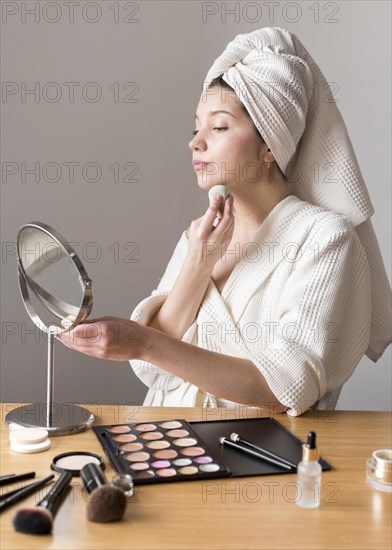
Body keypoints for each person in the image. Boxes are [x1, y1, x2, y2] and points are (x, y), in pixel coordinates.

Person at [58, 27, 391, 416]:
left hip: (261, 461)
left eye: (218, 127)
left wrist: (141, 340)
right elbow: (153, 372)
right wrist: (197, 265)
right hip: (166, 444)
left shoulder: (324, 239)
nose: (195, 142)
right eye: (195, 127)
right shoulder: (199, 238)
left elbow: (287, 387)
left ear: (270, 145)